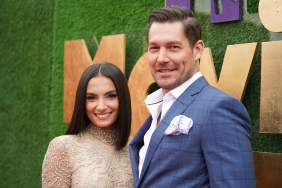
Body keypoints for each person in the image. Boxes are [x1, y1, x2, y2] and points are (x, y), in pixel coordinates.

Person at [129, 6, 256, 187]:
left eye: (173, 47)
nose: (162, 58)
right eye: (154, 48)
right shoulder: (159, 107)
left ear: (197, 50)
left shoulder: (218, 108)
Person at [42, 62, 134, 187]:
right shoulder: (63, 147)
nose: (101, 106)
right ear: (82, 102)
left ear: (123, 98)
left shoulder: (136, 148)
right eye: (91, 98)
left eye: (111, 96)